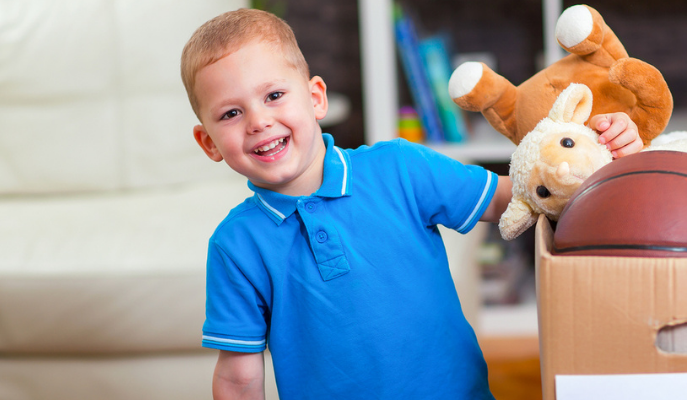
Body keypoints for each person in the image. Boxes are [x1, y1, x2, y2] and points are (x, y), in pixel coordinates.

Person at [180, 8, 643, 400]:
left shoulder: (400, 168)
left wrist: (596, 152)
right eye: (231, 113)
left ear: (315, 98)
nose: (259, 121)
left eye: (274, 95)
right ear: (209, 143)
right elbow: (239, 373)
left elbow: (518, 198)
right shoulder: (234, 244)